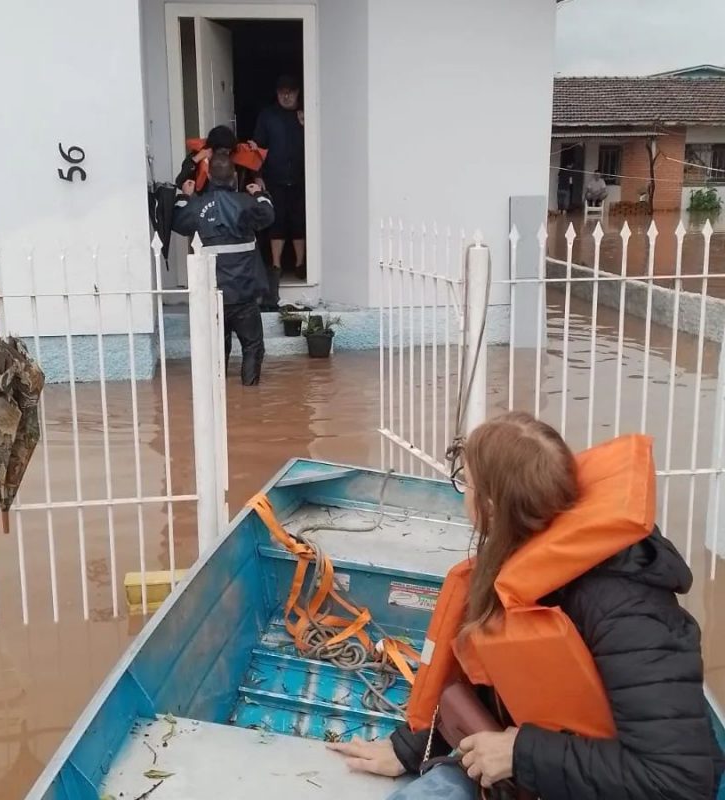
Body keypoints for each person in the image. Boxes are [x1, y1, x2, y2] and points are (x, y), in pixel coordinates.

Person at [329, 412, 724, 799]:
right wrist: (410, 750)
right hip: (547, 763)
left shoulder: (628, 612)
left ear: (490, 505)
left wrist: (520, 754)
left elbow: (679, 782)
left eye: (464, 482)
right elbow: (506, 674)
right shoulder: (524, 564)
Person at [172, 151, 274, 386]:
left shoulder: (197, 207)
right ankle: (250, 398)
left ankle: (218, 398)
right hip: (244, 294)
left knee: (217, 348)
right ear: (235, 177)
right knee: (253, 347)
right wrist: (260, 193)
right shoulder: (247, 204)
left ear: (208, 175)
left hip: (212, 294)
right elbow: (268, 214)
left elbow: (177, 220)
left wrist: (185, 196)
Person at [249, 74, 306, 303]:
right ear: (276, 92)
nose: (286, 95)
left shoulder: (305, 114)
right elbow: (257, 148)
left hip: (302, 177)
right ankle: (276, 266)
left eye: (290, 91)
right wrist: (257, 176)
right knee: (277, 221)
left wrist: (306, 124)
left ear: (298, 92)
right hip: (274, 177)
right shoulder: (268, 116)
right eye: (282, 90)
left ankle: (301, 265)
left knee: (299, 220)